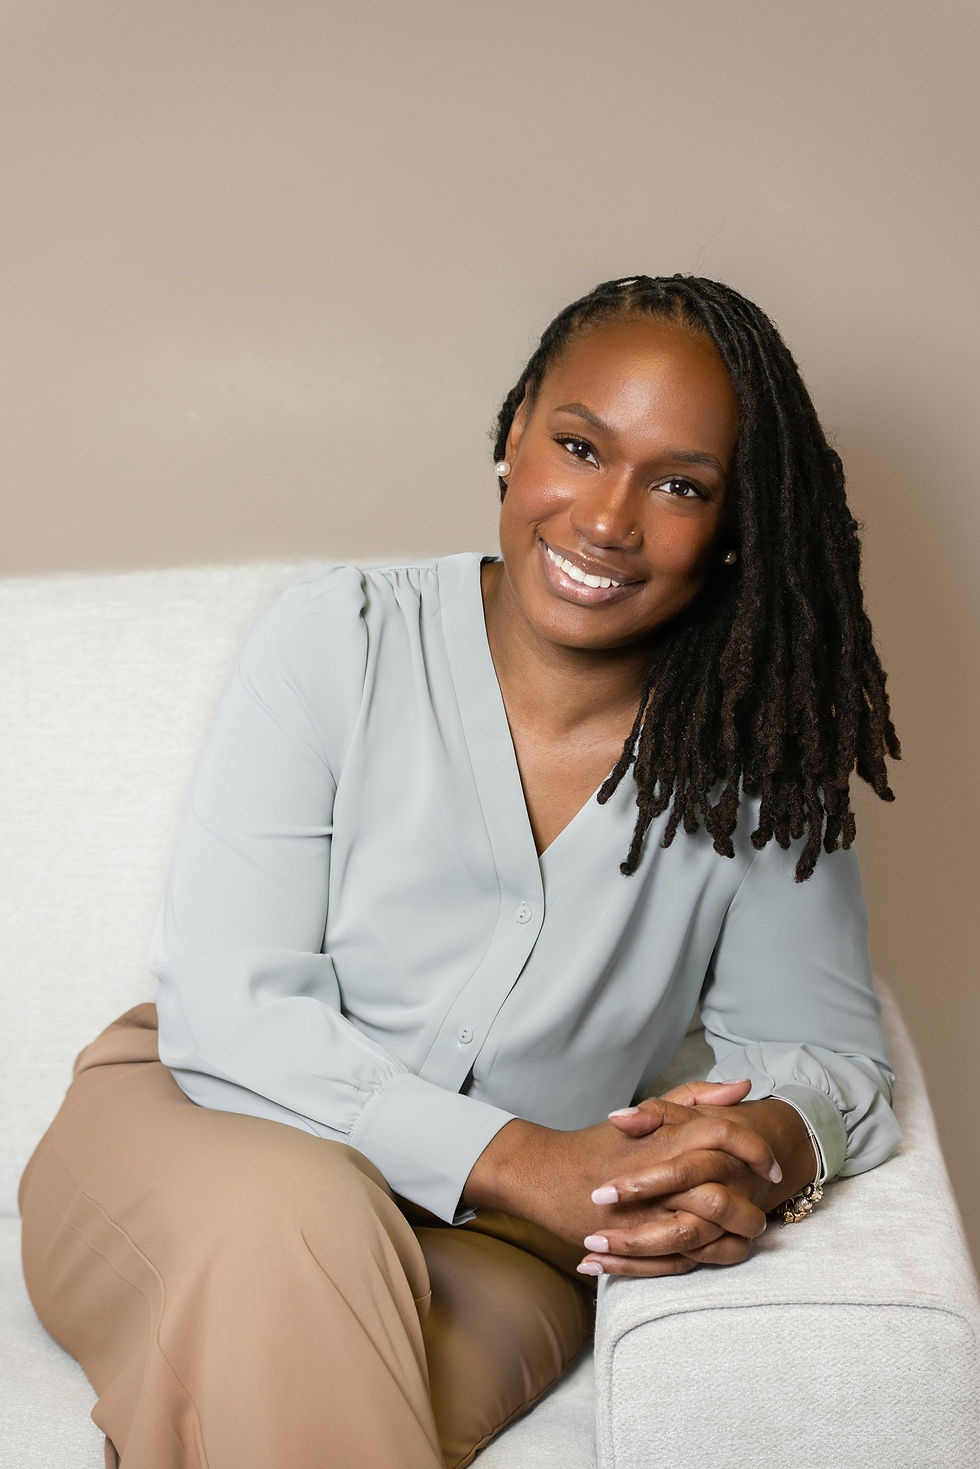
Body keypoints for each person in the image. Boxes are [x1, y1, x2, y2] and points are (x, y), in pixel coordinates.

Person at [18, 273, 903, 1469]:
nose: (606, 517)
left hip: (498, 1254)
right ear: (509, 439)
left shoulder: (756, 769)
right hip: (194, 1131)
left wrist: (756, 1152)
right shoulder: (339, 640)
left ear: (737, 522)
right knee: (293, 1218)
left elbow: (826, 1058)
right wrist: (525, 1160)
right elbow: (231, 1008)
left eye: (679, 483)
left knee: (264, 1394)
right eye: (578, 446)